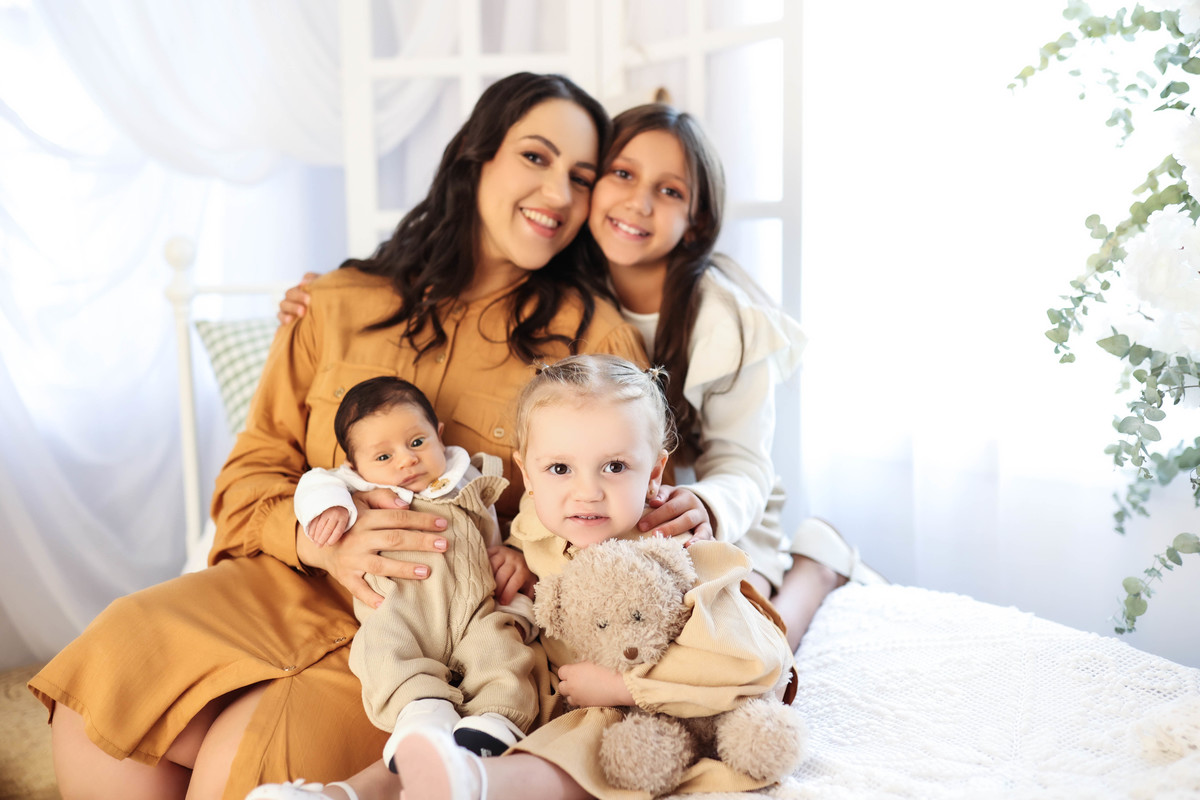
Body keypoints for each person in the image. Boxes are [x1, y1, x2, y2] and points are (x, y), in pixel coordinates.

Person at [28, 72, 664, 800]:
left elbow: (620, 511)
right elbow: (249, 478)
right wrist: (322, 542)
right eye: (535, 156)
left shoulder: (595, 341)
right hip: (284, 584)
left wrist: (523, 557)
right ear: (476, 158)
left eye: (580, 177)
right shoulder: (332, 304)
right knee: (104, 687)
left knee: (246, 755)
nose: (557, 192)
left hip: (441, 634)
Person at [276, 102, 885, 655]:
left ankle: (815, 567)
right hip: (628, 489)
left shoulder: (723, 320)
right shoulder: (571, 279)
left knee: (739, 641)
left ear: (697, 222)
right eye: (621, 175)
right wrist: (326, 293)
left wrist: (707, 504)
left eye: (669, 191)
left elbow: (744, 462)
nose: (639, 203)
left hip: (709, 499)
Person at [253, 355, 797, 800]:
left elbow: (759, 663)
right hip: (538, 691)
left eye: (615, 467)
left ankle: (478, 787)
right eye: (559, 468)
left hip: (637, 710)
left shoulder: (673, 551)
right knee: (442, 729)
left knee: (572, 745)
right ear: (527, 475)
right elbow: (520, 549)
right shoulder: (535, 527)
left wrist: (623, 687)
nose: (586, 492)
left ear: (654, 470)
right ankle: (342, 794)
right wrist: (511, 554)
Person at [296, 375, 538, 761]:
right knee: (381, 649)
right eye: (383, 457)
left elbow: (496, 531)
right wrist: (331, 507)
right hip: (398, 607)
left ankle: (495, 720)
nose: (406, 460)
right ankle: (422, 711)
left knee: (500, 649)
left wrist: (511, 551)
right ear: (353, 466)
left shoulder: (466, 476)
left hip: (473, 605)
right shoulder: (354, 487)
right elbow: (315, 483)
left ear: (438, 435)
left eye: (416, 443)